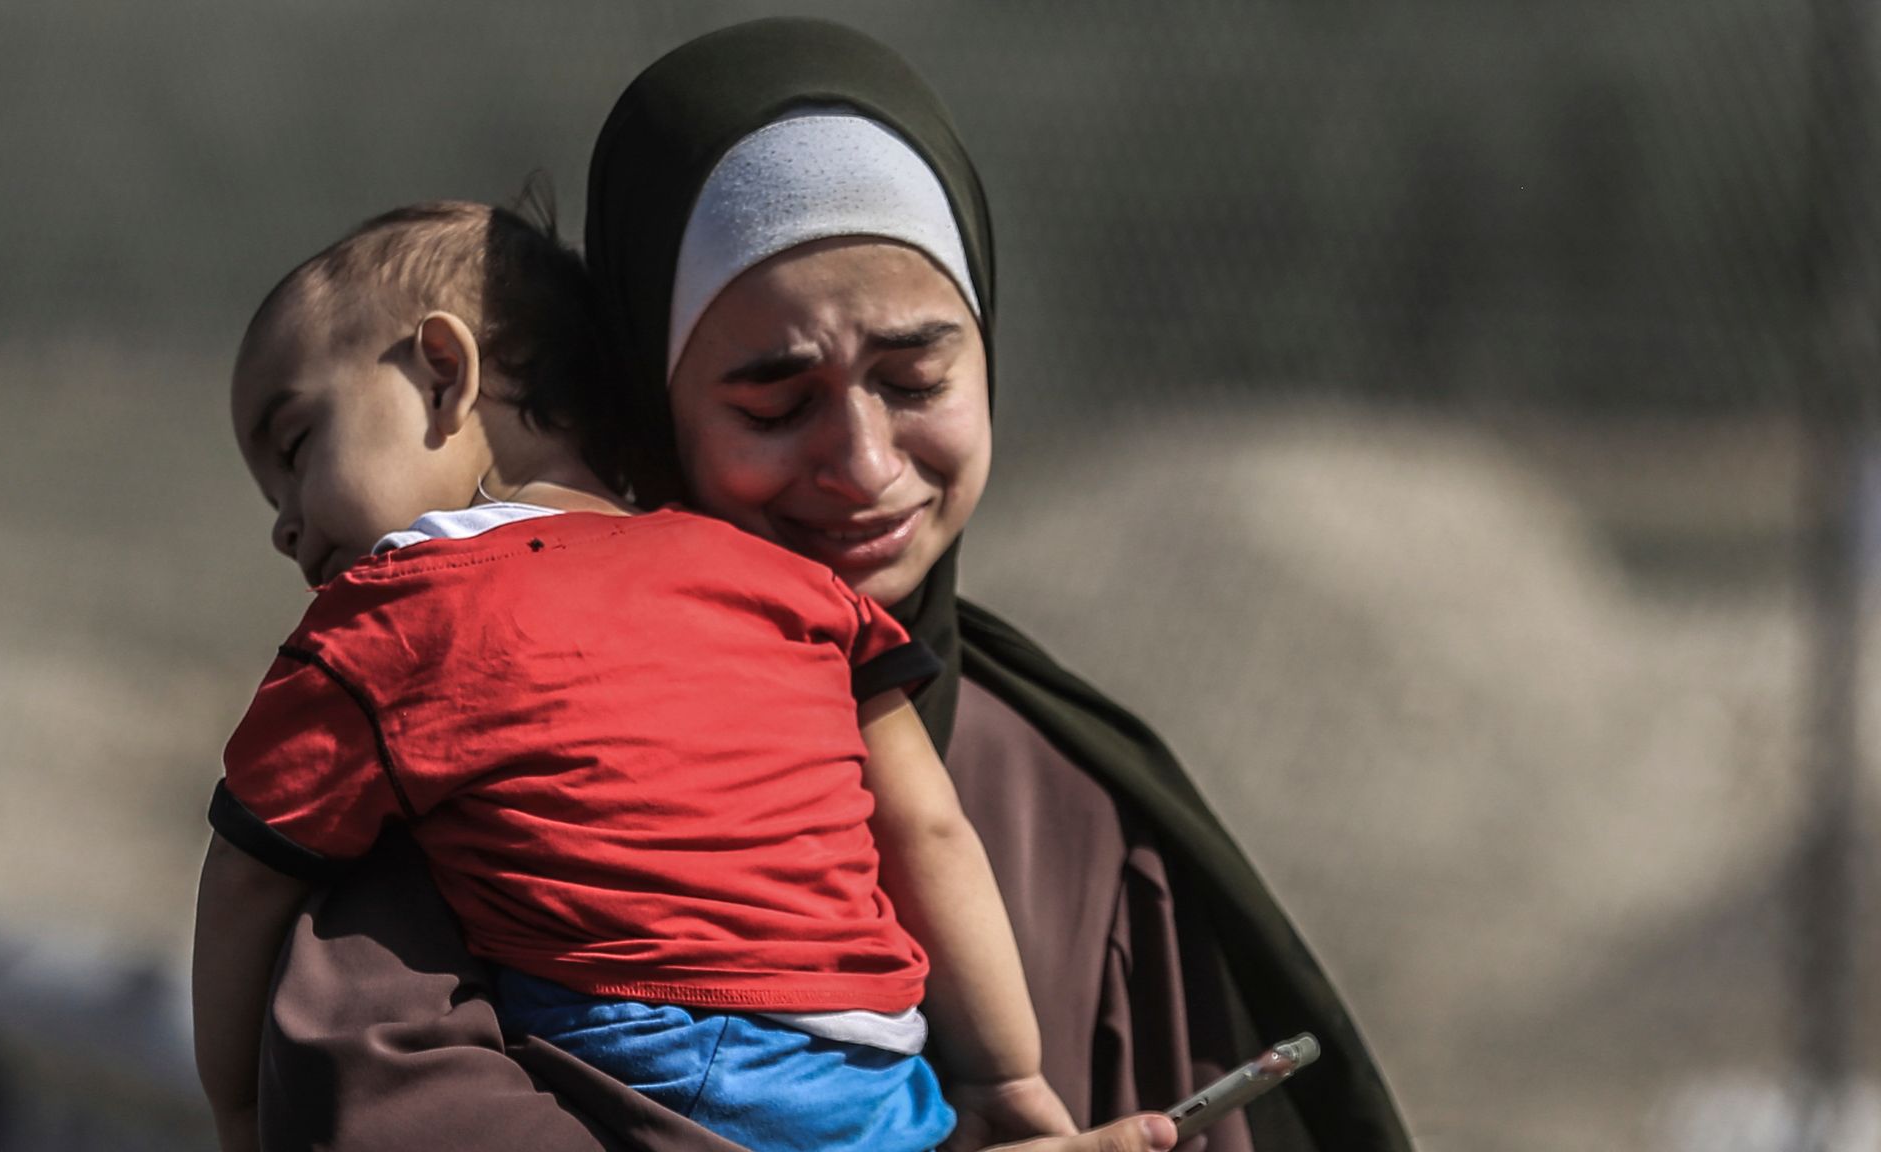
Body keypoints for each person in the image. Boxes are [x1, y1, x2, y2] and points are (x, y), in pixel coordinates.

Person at [248, 19, 1414, 1152]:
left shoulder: (1082, 820)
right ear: (646, 417)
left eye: (914, 377)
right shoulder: (476, 741)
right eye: (771, 401)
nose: (861, 466)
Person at [193, 200, 1078, 1152]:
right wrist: (1007, 1075)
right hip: (878, 1063)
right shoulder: (778, 577)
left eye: (294, 448)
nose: (284, 522)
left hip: (660, 1055)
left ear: (444, 376)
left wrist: (239, 1104)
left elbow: (247, 882)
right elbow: (927, 826)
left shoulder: (393, 617)